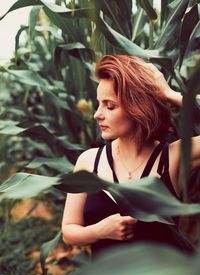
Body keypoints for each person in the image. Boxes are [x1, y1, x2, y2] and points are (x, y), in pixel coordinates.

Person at [62, 55, 200, 257]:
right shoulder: (89, 161)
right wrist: (100, 231)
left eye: (109, 106)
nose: (97, 114)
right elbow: (69, 231)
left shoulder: (173, 157)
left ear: (138, 107)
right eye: (99, 103)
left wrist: (169, 94)